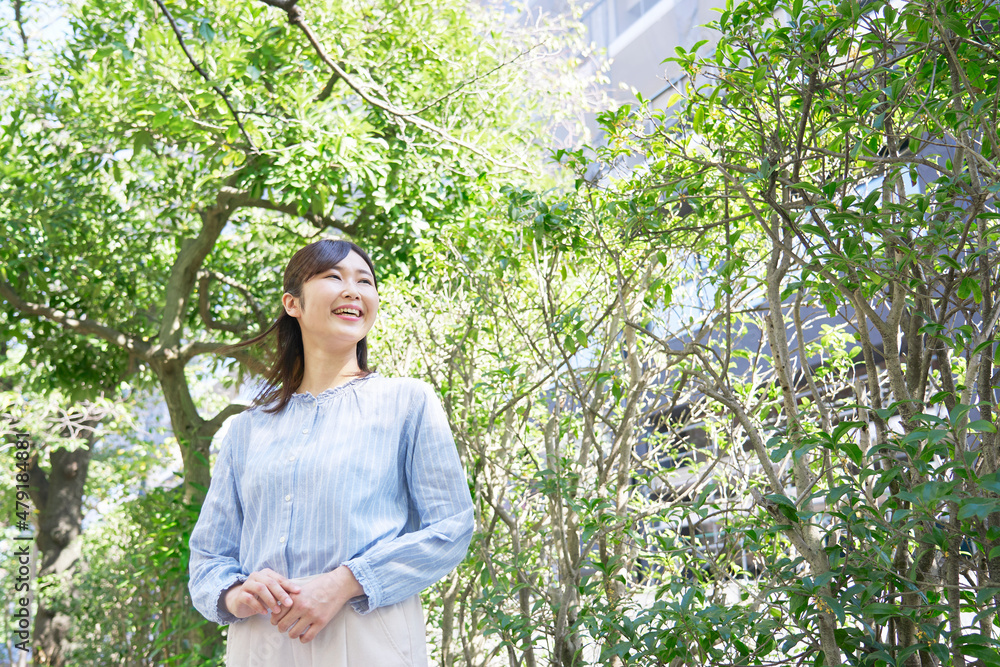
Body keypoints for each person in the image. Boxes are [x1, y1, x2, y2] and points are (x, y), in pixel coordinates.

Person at [188, 239, 475, 666]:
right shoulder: (248, 428)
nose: (353, 290)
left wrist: (345, 582)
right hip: (261, 643)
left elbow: (452, 527)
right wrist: (235, 593)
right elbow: (210, 555)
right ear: (293, 304)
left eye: (365, 281)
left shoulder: (407, 403)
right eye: (334, 277)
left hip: (366, 636)